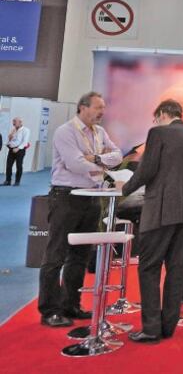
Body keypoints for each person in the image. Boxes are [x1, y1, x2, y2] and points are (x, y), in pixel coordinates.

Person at [119, 99, 183, 343]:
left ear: (163, 114)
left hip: (160, 209)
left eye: (156, 118)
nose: (155, 122)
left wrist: (124, 188)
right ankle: (168, 326)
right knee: (176, 269)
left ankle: (151, 329)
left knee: (149, 267)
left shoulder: (158, 134)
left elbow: (146, 171)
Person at [38, 91, 122, 328]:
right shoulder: (65, 131)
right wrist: (99, 163)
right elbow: (74, 163)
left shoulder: (100, 132)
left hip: (91, 197)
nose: (102, 112)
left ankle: (70, 305)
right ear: (82, 107)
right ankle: (50, 310)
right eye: (98, 107)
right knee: (56, 253)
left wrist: (94, 159)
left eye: (103, 107)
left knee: (80, 255)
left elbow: (117, 156)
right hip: (67, 196)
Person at [5, 116, 31, 186]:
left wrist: (18, 148)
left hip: (20, 150)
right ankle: (8, 181)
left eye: (15, 121)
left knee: (19, 166)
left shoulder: (26, 130)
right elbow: (10, 140)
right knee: (8, 165)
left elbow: (25, 142)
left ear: (20, 122)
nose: (13, 123)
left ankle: (17, 181)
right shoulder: (13, 130)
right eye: (13, 121)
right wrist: (9, 139)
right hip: (11, 149)